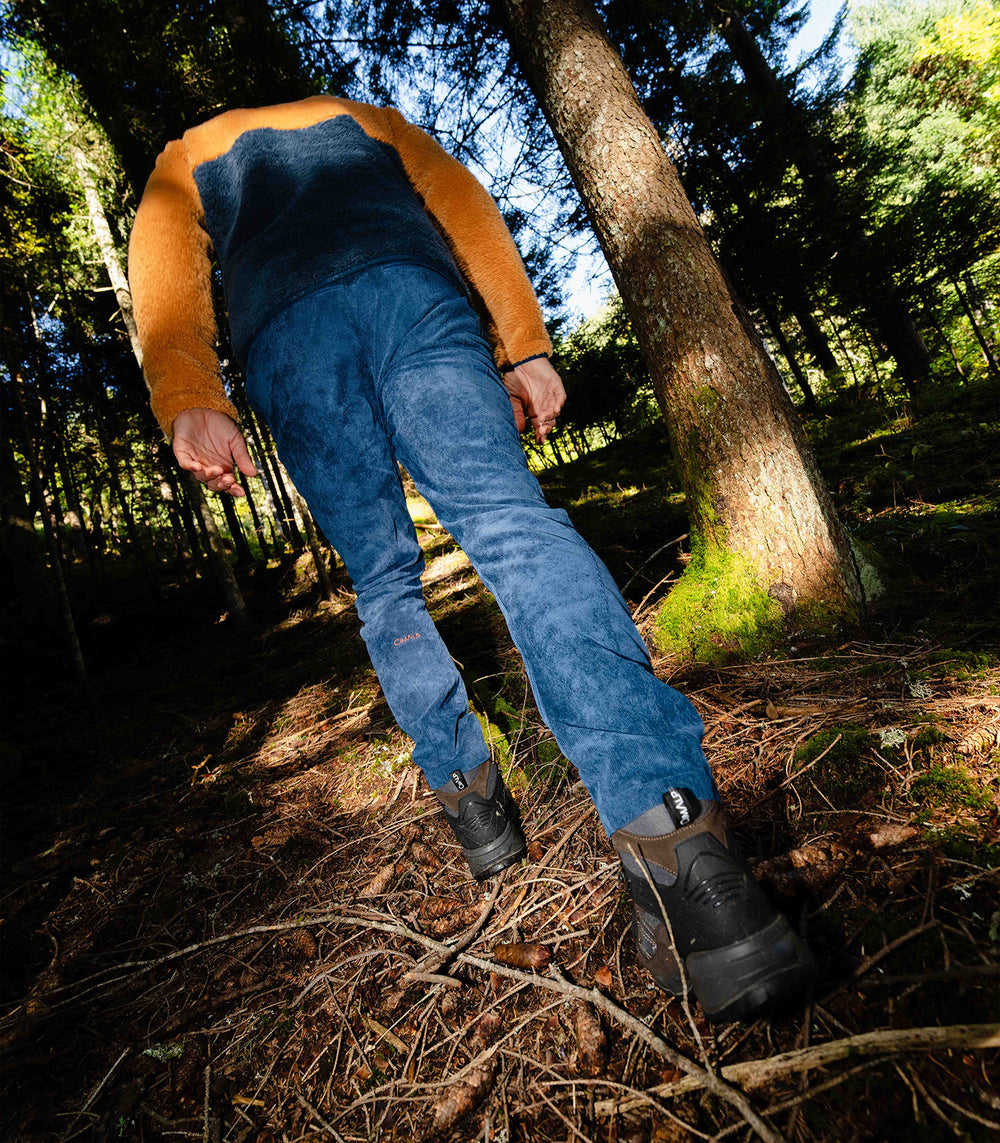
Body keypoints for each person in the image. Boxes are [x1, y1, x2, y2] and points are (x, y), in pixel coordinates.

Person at [128, 94, 815, 1022]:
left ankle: (478, 815)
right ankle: (681, 852)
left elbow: (164, 258)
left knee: (383, 582)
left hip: (287, 331)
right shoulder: (353, 113)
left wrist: (187, 394)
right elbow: (462, 203)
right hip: (414, 295)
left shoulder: (191, 146)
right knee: (514, 524)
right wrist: (524, 342)